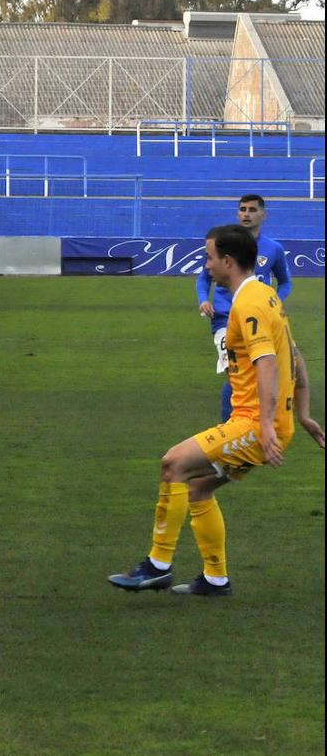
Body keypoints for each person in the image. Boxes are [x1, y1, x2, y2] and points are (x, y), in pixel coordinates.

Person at [109, 225, 324, 597]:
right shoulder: (267, 295)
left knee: (173, 464)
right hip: (268, 423)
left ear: (228, 260)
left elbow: (268, 363)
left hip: (255, 425)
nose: (206, 265)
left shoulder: (248, 303)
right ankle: (215, 579)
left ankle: (158, 565)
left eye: (209, 257)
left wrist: (266, 426)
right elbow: (295, 357)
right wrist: (302, 415)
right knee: (198, 488)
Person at [195, 194, 292, 421]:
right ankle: (230, 422)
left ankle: (257, 418)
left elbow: (285, 282)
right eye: (242, 209)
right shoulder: (224, 244)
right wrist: (204, 299)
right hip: (224, 318)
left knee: (261, 367)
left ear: (263, 215)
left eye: (252, 210)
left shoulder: (273, 249)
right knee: (235, 371)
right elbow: (204, 277)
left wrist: (274, 301)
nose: (246, 214)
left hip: (259, 316)